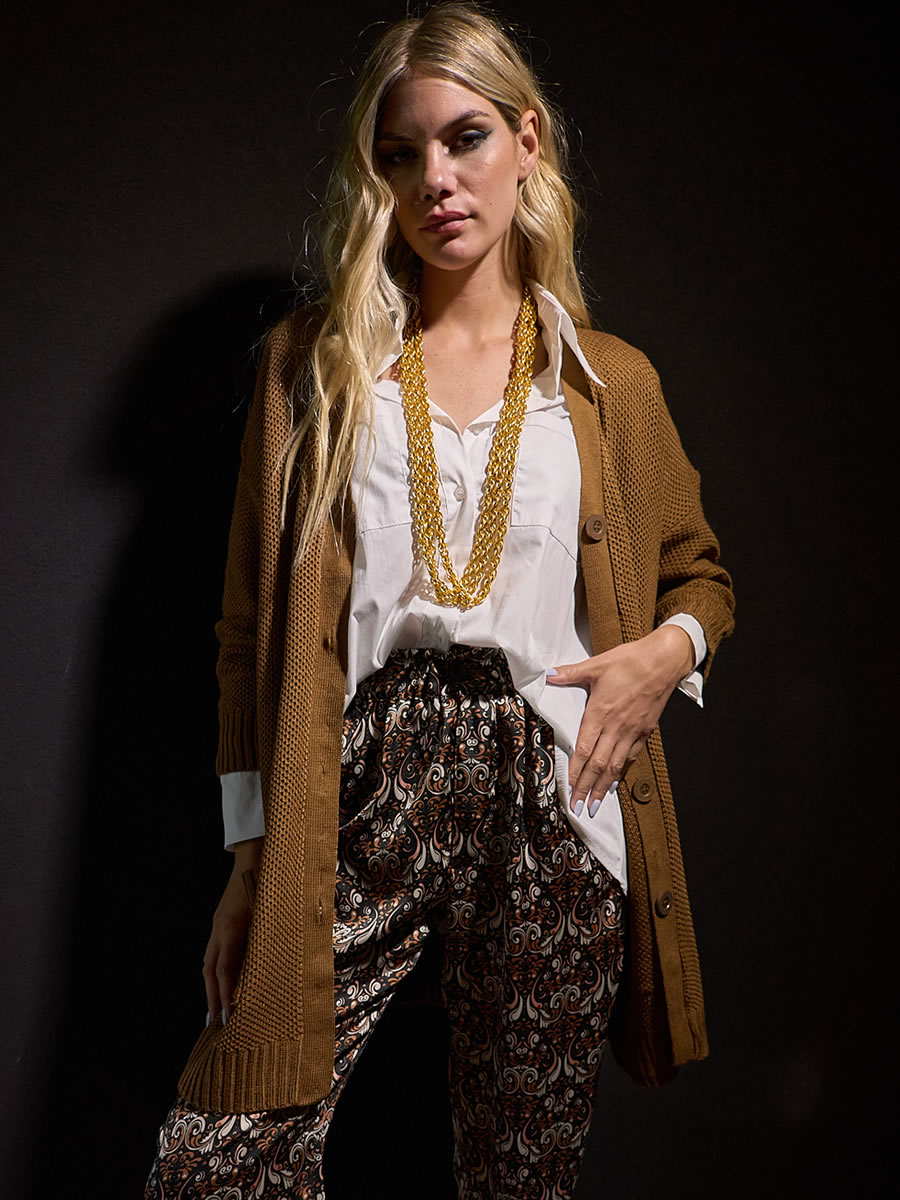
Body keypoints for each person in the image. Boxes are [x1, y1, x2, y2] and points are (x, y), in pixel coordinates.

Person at [145, 2, 734, 1197]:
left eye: (465, 138)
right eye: (400, 153)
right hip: (364, 777)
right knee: (215, 1160)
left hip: (552, 790)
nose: (436, 180)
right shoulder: (313, 368)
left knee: (519, 1178)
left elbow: (702, 576)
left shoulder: (607, 381)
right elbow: (246, 634)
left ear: (527, 141)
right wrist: (251, 857)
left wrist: (665, 654)